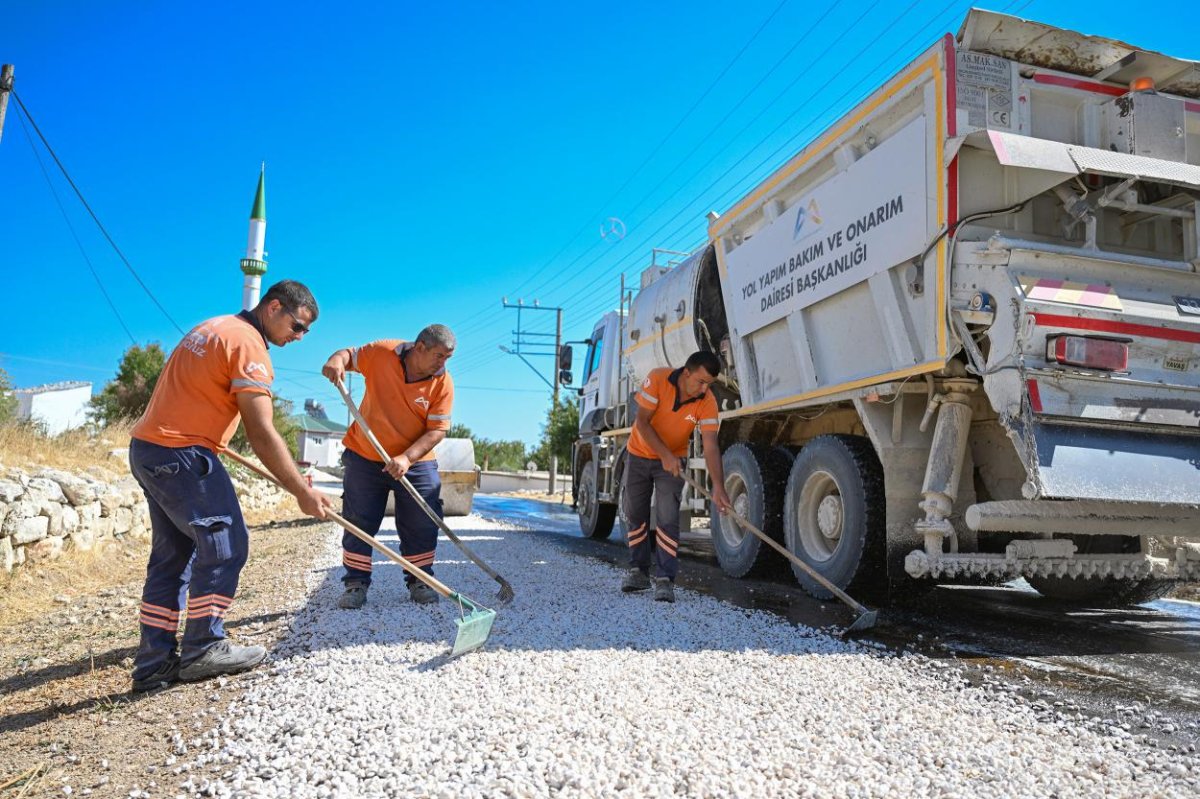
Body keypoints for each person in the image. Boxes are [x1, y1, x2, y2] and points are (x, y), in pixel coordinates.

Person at [128, 280, 331, 692]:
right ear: (273, 307)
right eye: (297, 327)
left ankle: (154, 664)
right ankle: (203, 647)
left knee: (174, 558)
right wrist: (301, 490)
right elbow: (261, 429)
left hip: (150, 448)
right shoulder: (248, 344)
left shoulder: (213, 327)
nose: (300, 337)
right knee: (225, 546)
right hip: (182, 454)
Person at [321, 325, 455, 609]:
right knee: (358, 521)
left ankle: (420, 579)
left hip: (416, 461)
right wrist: (336, 360)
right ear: (419, 348)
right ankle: (355, 583)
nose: (443, 363)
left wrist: (407, 458)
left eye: (448, 357)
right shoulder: (382, 353)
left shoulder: (442, 383)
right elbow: (349, 355)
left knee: (422, 519)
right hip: (365, 455)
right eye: (439, 355)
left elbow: (436, 431)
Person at [621, 350, 731, 603]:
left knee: (668, 518)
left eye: (709, 384)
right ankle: (638, 572)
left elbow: (711, 445)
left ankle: (664, 580)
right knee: (635, 513)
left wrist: (718, 486)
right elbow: (642, 422)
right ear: (686, 372)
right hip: (639, 455)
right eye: (701, 381)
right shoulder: (657, 379)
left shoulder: (707, 401)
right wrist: (664, 455)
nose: (704, 389)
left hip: (672, 462)